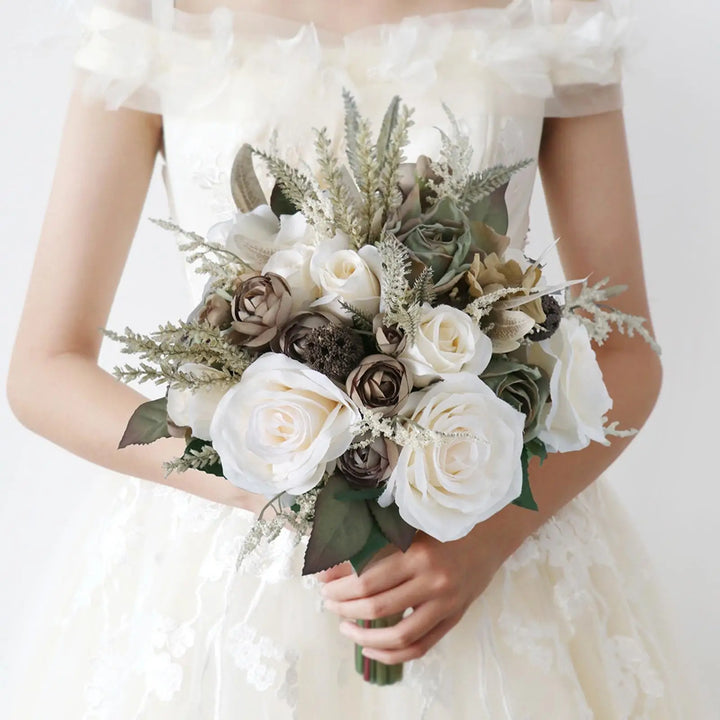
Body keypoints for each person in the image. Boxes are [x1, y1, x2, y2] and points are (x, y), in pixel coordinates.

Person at [4, 0, 701, 717]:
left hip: (479, 541)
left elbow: (627, 354)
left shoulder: (550, 14)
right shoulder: (150, 15)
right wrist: (259, 482)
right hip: (223, 571)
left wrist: (485, 541)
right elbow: (45, 366)